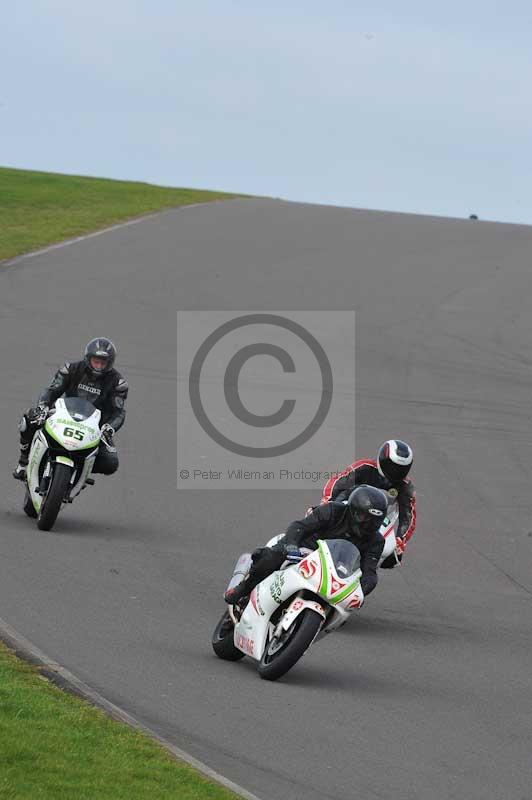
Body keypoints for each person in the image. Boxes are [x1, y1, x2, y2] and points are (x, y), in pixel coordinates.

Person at [224, 485, 388, 607]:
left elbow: (370, 573)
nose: (368, 524)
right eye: (363, 517)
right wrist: (292, 545)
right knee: (271, 558)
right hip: (303, 551)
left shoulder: (376, 541)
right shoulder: (333, 511)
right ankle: (243, 589)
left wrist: (360, 592)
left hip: (333, 571)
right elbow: (299, 526)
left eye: (374, 521)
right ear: (352, 510)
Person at [13, 338, 128, 480]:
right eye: (96, 361)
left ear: (109, 364)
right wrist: (42, 407)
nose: (98, 366)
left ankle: (80, 470)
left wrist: (109, 428)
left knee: (111, 463)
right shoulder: (70, 369)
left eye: (102, 363)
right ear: (88, 358)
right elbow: (51, 390)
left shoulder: (118, 383)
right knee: (29, 419)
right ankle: (23, 462)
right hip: (62, 415)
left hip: (95, 427)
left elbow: (118, 412)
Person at [320, 439, 416, 568]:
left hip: (378, 523)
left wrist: (401, 539)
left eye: (401, 469)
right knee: (321, 522)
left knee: (393, 558)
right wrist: (327, 501)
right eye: (392, 466)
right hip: (350, 510)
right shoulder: (364, 467)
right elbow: (339, 481)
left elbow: (409, 516)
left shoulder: (405, 486)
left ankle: (363, 574)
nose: (395, 472)